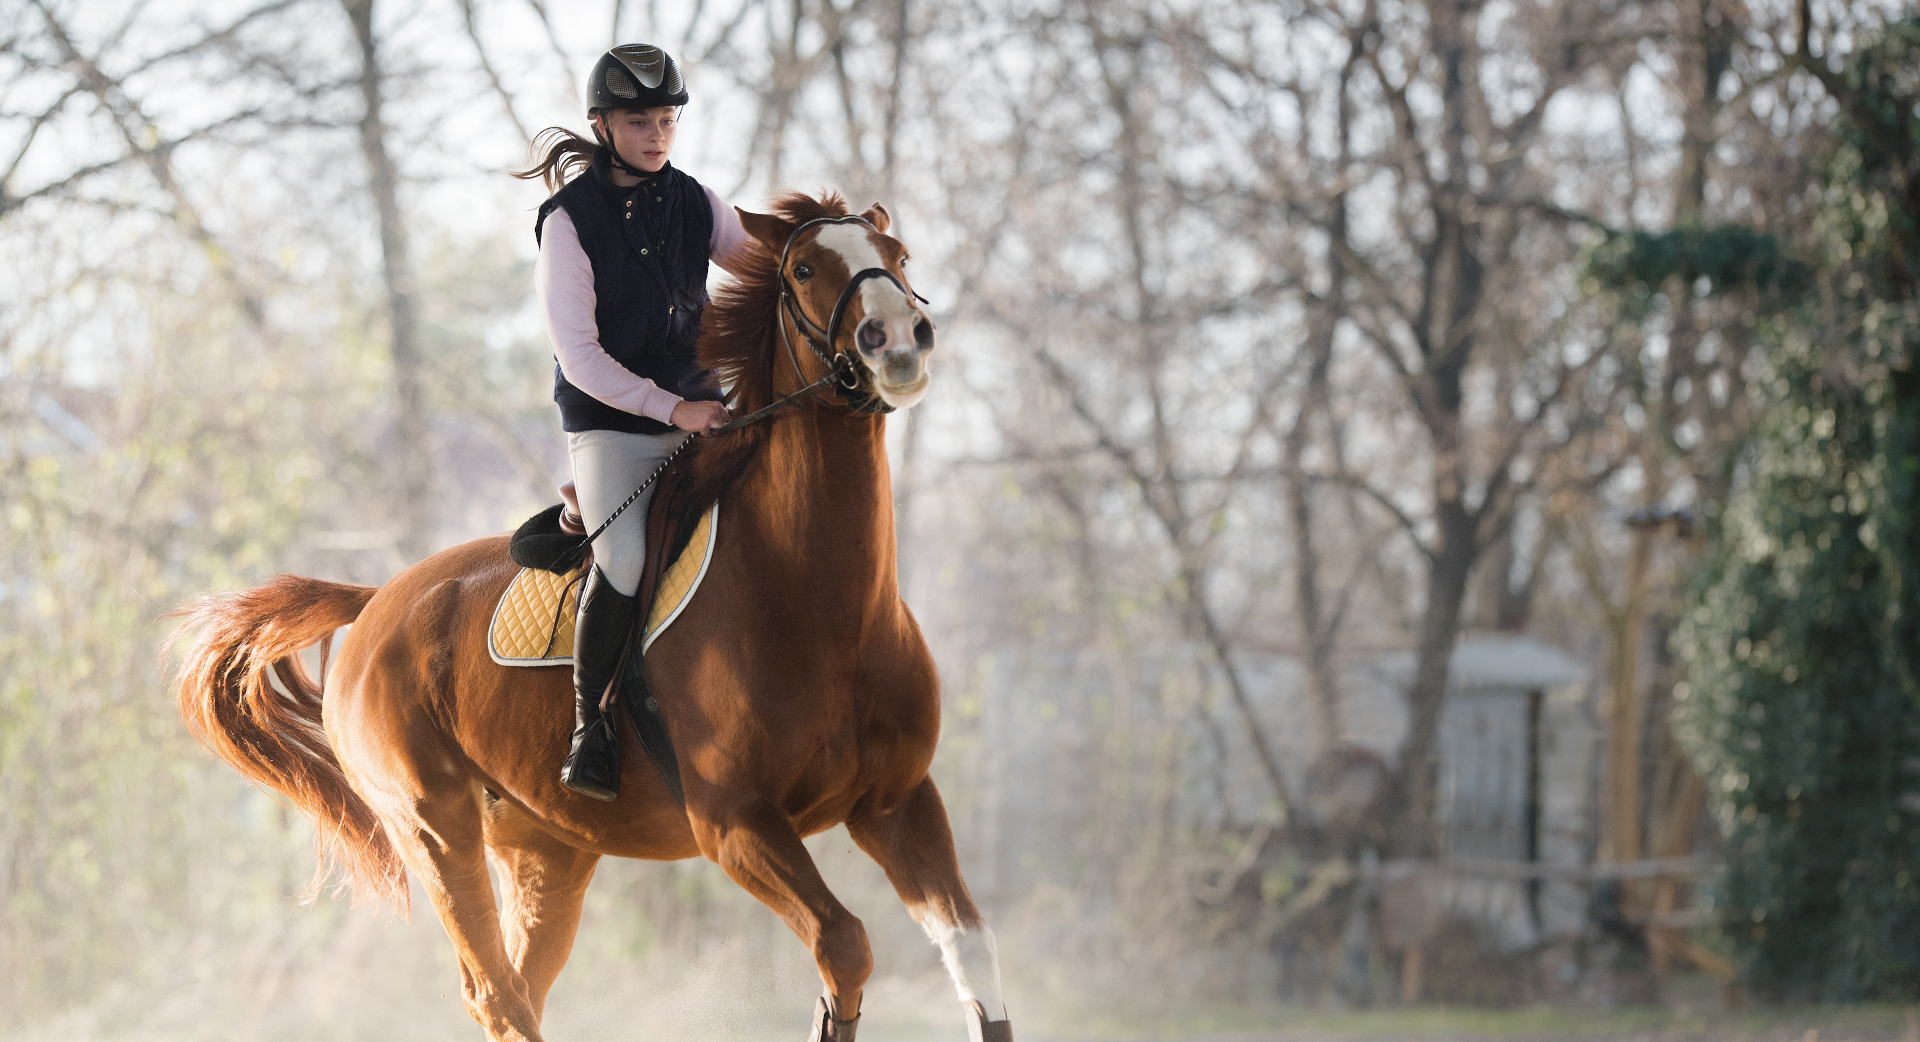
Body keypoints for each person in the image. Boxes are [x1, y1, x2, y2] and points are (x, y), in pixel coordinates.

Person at [515, 43, 754, 800]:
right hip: (613, 426)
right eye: (639, 120)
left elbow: (764, 265)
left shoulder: (696, 202)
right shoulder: (568, 222)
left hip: (705, 414)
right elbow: (580, 357)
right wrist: (672, 408)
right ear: (603, 125)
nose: (657, 134)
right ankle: (593, 729)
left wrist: (834, 250)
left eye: (667, 119)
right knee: (620, 558)